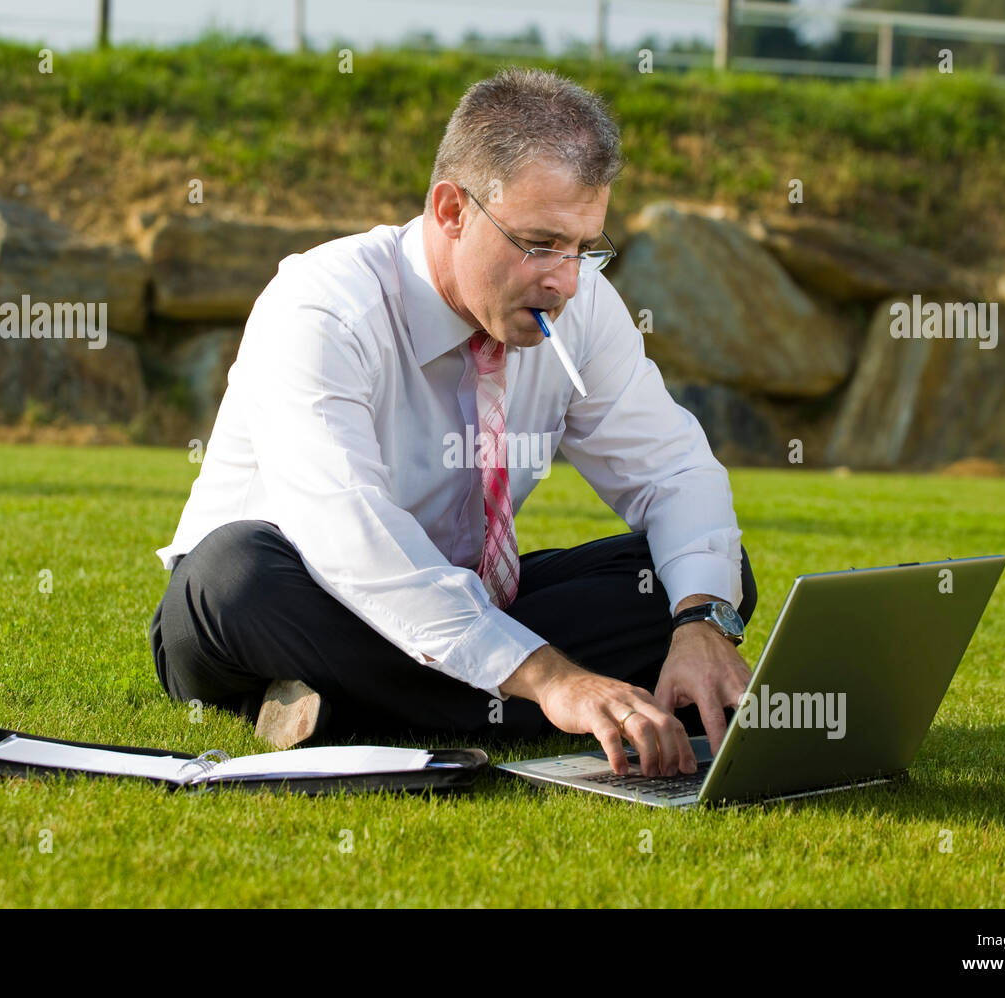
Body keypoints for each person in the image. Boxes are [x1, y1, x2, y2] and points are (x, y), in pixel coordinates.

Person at [149, 66, 757, 779]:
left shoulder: (580, 302)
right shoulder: (322, 307)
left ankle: (345, 710)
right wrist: (552, 678)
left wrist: (700, 623)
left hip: (467, 595)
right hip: (291, 596)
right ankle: (544, 698)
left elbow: (674, 471)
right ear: (450, 211)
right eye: (539, 243)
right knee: (236, 574)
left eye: (584, 246)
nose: (563, 279)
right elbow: (349, 533)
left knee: (702, 570)